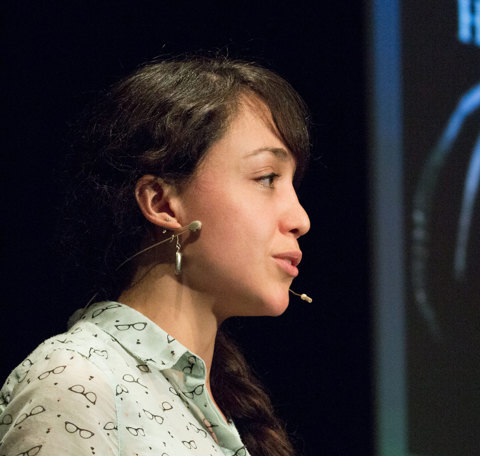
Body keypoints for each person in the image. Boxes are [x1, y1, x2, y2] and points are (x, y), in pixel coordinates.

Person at [0, 56, 311, 456]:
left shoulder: (222, 406)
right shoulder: (79, 380)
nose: (300, 218)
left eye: (292, 185)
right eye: (266, 178)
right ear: (163, 203)